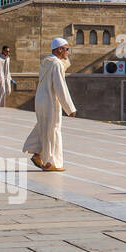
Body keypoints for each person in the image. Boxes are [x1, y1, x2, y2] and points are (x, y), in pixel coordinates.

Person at [23, 37, 75, 172]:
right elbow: (60, 87)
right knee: (53, 130)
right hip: (50, 101)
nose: (68, 52)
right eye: (67, 49)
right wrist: (70, 108)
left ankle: (37, 155)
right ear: (60, 49)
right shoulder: (56, 64)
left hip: (40, 100)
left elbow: (63, 64)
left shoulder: (46, 62)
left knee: (44, 128)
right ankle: (50, 162)